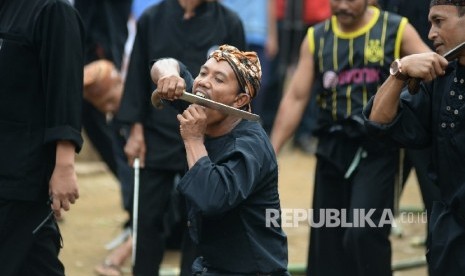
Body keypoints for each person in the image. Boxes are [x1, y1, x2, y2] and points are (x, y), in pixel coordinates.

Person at [270, 0, 431, 275]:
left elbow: (434, 68)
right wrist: (270, 152)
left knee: (364, 232)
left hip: (378, 147)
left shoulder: (395, 29)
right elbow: (296, 98)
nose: (342, 5)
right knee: (326, 242)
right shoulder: (316, 38)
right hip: (332, 145)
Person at [114, 0, 246, 275]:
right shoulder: (152, 18)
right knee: (148, 219)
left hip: (206, 138)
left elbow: (240, 88)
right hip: (156, 135)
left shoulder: (229, 22)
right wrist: (135, 131)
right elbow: (138, 75)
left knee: (199, 221)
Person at [151, 44, 289, 275]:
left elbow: (210, 197)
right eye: (203, 73)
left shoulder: (250, 146)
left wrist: (194, 140)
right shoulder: (204, 104)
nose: (204, 82)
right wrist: (168, 75)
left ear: (239, 100)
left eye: (219, 79)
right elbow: (164, 62)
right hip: (212, 266)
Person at [363, 1, 465, 275]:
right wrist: (399, 71)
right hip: (451, 235)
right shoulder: (443, 77)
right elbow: (378, 122)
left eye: (439, 22)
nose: (430, 33)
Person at [0, 0, 84, 275]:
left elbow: (65, 89)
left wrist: (64, 164)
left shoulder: (53, 10)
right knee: (35, 262)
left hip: (22, 173)